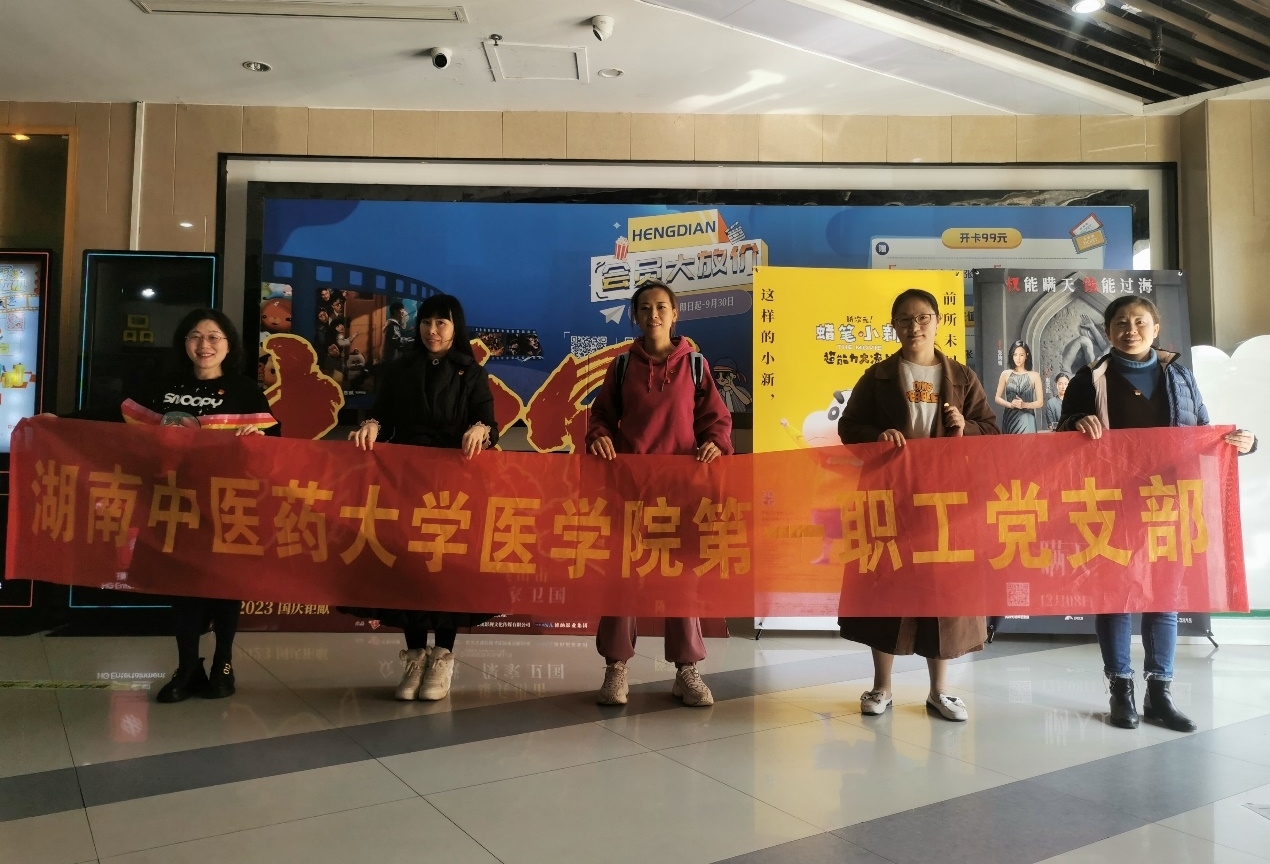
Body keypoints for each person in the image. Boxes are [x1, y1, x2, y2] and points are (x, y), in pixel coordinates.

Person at [1057, 295, 1256, 733]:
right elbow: (1060, 435)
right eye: (1121, 323)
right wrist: (1075, 424)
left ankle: (1160, 694)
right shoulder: (1089, 378)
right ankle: (1120, 690)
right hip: (1109, 503)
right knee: (1115, 598)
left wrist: (1242, 442)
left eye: (1140, 322)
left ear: (1156, 327)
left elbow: (1201, 429)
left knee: (1164, 597)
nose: (1131, 330)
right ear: (1107, 331)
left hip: (1169, 500)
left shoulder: (1178, 375)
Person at [837, 288, 1000, 722]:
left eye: (923, 317)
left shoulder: (962, 376)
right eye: (905, 319)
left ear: (938, 321)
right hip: (889, 495)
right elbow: (849, 427)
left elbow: (991, 430)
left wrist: (966, 426)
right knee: (885, 587)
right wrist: (877, 437)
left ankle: (940, 691)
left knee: (942, 592)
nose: (915, 326)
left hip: (945, 500)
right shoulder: (877, 376)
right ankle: (882, 686)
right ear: (894, 326)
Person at [108, 309, 279, 703]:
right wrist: (58, 421)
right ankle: (187, 667)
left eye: (214, 337)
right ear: (184, 343)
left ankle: (223, 665)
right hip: (175, 503)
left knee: (225, 585)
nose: (205, 345)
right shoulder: (163, 387)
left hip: (226, 505)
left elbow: (277, 443)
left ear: (229, 345)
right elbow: (112, 420)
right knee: (182, 586)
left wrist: (258, 439)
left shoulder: (245, 390)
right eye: (195, 336)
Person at [586, 279, 733, 708]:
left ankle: (686, 671)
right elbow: (601, 416)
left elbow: (716, 420)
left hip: (681, 493)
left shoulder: (695, 365)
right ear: (635, 316)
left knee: (681, 579)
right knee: (623, 577)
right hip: (629, 491)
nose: (654, 315)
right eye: (645, 308)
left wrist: (716, 443)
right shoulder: (620, 367)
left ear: (675, 314)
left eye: (662, 307)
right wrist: (598, 436)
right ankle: (616, 667)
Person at [347, 293, 498, 702]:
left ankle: (443, 657)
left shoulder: (471, 373)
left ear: (455, 327)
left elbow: (490, 423)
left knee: (445, 570)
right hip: (407, 486)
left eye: (442, 323)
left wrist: (481, 429)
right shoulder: (401, 369)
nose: (433, 330)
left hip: (452, 491)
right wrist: (373, 425)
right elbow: (382, 415)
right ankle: (415, 658)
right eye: (427, 322)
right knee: (409, 568)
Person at [994, 339, 1043, 434]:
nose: (1018, 358)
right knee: (1010, 443)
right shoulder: (1005, 374)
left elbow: (1040, 402)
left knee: (1028, 443)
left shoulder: (1035, 376)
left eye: (1021, 355)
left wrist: (1024, 405)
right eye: (1015, 355)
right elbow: (997, 398)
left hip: (1027, 419)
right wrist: (1010, 405)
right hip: (1010, 418)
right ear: (1012, 356)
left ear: (1026, 356)